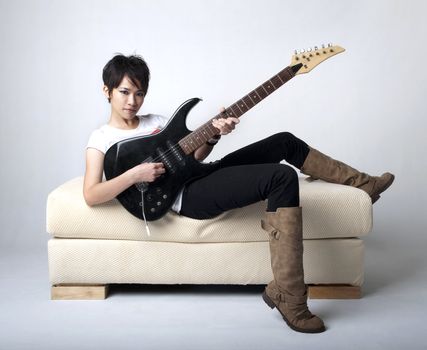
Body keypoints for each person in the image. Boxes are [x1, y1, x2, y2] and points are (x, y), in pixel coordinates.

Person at [84, 54, 394, 334]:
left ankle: (364, 183)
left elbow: (194, 157)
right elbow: (92, 194)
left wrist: (215, 134)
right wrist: (134, 175)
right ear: (107, 91)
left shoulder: (157, 123)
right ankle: (288, 295)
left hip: (201, 174)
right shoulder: (102, 138)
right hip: (187, 197)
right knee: (282, 177)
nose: (132, 101)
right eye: (124, 92)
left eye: (139, 93)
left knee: (283, 141)